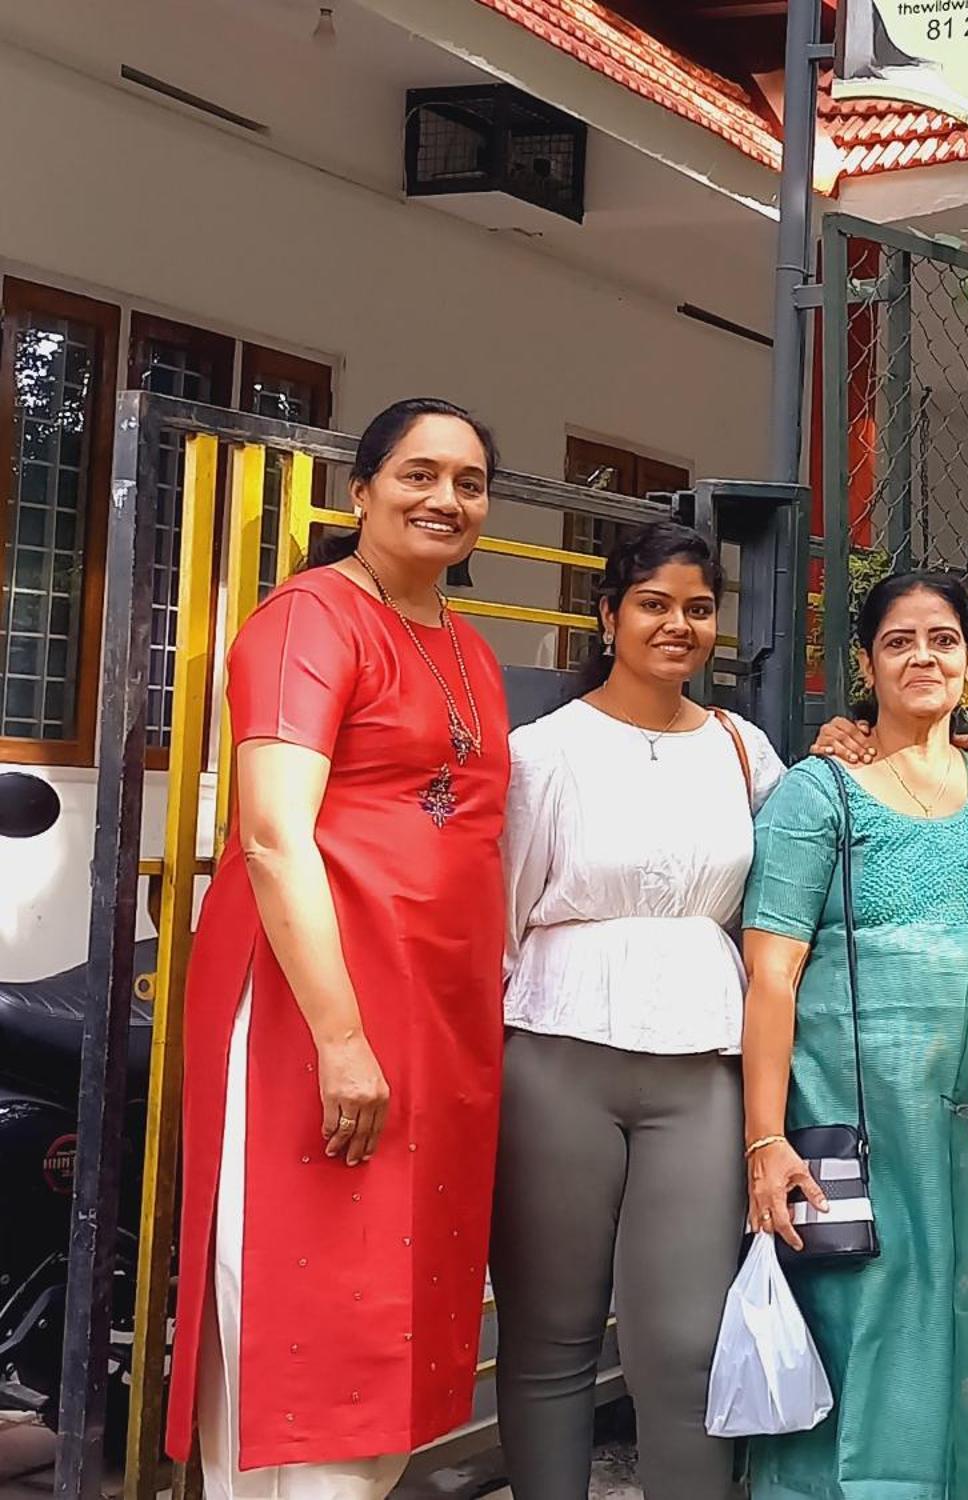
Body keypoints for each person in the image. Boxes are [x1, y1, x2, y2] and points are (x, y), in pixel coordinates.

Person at [166, 399, 508, 1500]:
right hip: (314, 1015)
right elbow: (271, 837)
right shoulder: (309, 621)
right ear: (359, 491)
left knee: (400, 1310)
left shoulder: (466, 645)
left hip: (433, 1024)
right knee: (310, 1313)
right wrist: (342, 1038)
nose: (443, 499)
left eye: (467, 480)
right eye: (416, 473)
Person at [739, 571, 968, 1500]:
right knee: (864, 1329)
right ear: (867, 663)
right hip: (848, 1130)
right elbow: (772, 974)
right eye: (899, 641)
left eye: (943, 640)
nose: (924, 656)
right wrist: (765, 1140)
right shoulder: (820, 794)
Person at [493, 522, 787, 1500]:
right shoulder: (543, 752)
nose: (678, 625)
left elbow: (787, 890)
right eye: (654, 604)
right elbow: (502, 916)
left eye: (698, 608)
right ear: (609, 613)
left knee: (684, 1343)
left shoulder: (745, 753)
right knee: (550, 1337)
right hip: (554, 1057)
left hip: (701, 1064)